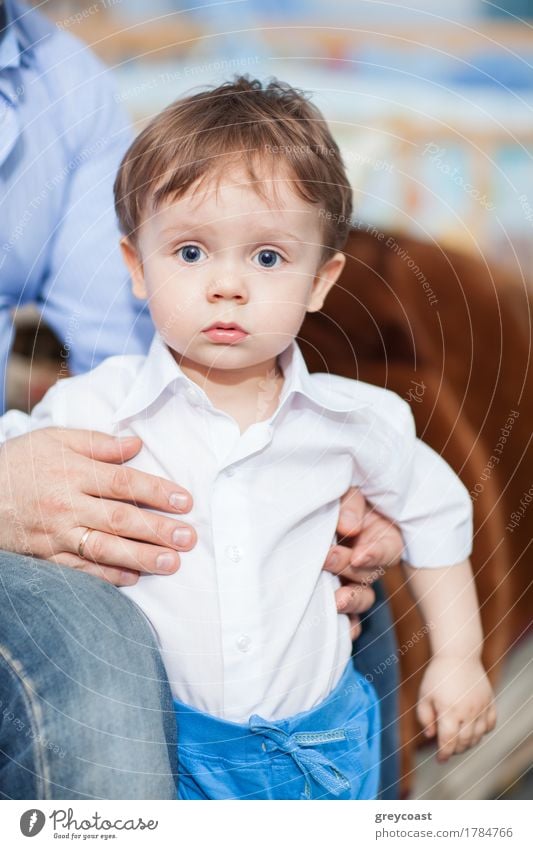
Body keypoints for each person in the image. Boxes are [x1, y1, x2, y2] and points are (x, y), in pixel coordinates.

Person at [0, 75, 497, 800]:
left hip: (325, 748)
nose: (226, 285)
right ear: (136, 267)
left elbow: (434, 510)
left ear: (320, 281)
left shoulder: (355, 421)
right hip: (181, 746)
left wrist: (458, 656)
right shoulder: (92, 411)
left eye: (266, 257)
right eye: (191, 252)